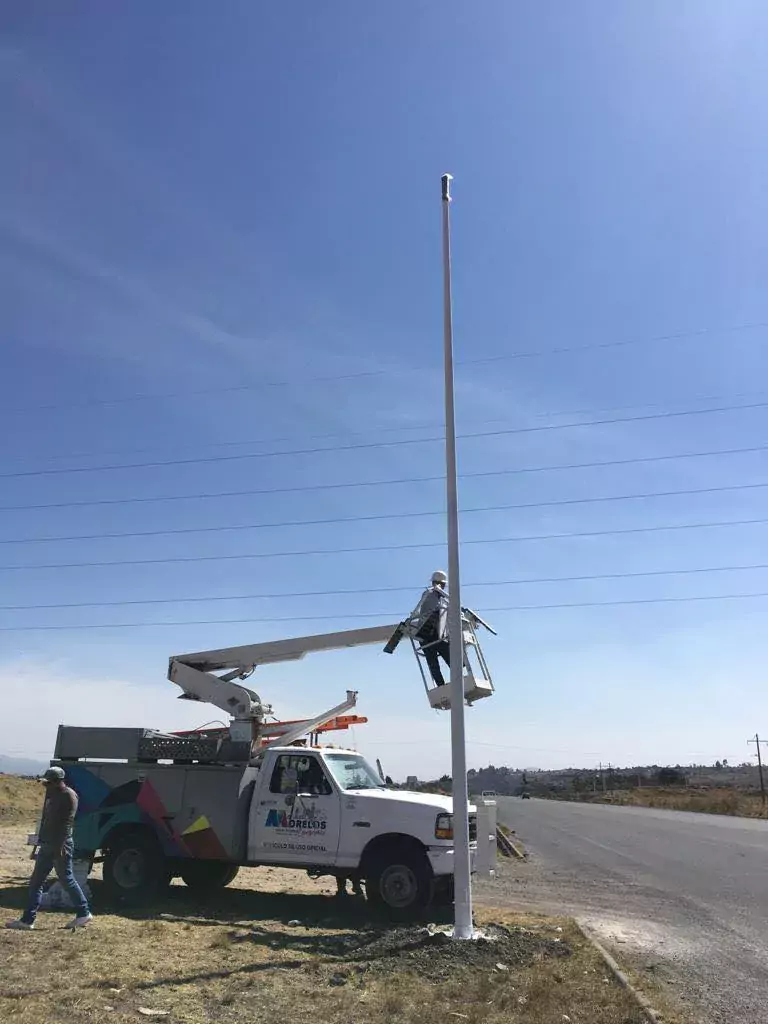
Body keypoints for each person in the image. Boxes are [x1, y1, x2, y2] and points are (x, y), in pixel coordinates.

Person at [5, 767, 93, 931]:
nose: (46, 786)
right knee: (36, 882)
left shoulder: (68, 796)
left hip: (59, 845)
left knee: (66, 879)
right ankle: (28, 920)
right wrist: (40, 842)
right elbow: (48, 821)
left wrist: (60, 845)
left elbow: (66, 823)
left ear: (58, 781)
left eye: (49, 783)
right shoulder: (54, 795)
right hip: (48, 844)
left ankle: (83, 912)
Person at [409, 570, 451, 687]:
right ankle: (444, 686)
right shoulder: (431, 594)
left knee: (436, 663)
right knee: (449, 660)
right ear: (440, 584)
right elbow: (436, 612)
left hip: (428, 634)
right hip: (429, 632)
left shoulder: (439, 597)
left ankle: (444, 686)